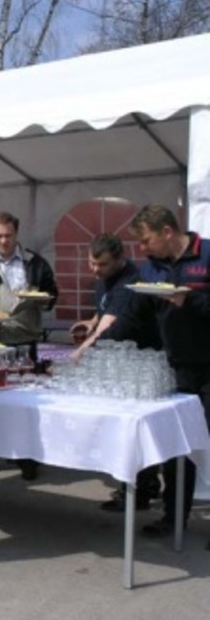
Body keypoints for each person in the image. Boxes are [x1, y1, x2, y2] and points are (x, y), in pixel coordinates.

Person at [103, 205, 210, 541]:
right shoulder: (151, 268)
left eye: (146, 240)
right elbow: (133, 314)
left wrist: (189, 301)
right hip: (176, 369)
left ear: (167, 232)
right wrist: (98, 345)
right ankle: (174, 517)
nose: (142, 248)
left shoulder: (207, 254)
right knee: (178, 448)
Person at [68, 233, 162, 511]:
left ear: (120, 260)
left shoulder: (129, 282)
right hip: (119, 357)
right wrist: (91, 321)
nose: (95, 270)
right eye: (91, 263)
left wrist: (79, 353)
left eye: (102, 265)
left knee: (133, 428)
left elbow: (110, 325)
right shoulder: (106, 278)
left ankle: (140, 491)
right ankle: (142, 485)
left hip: (138, 362)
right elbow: (103, 312)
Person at [0, 211, 58, 481]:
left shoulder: (35, 263)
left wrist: (43, 299)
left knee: (26, 405)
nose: (3, 241)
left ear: (16, 234)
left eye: (8, 235)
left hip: (26, 339)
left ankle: (26, 457)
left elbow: (52, 295)